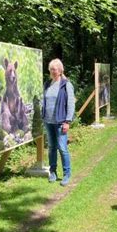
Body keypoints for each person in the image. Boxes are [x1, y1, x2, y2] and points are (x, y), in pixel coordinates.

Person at [42, 58, 75, 186]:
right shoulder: (47, 84)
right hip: (48, 122)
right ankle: (53, 172)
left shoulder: (66, 85)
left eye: (55, 69)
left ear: (60, 70)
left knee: (62, 148)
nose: (53, 71)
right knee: (51, 148)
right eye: (51, 69)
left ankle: (67, 174)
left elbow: (71, 104)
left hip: (61, 122)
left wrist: (67, 121)